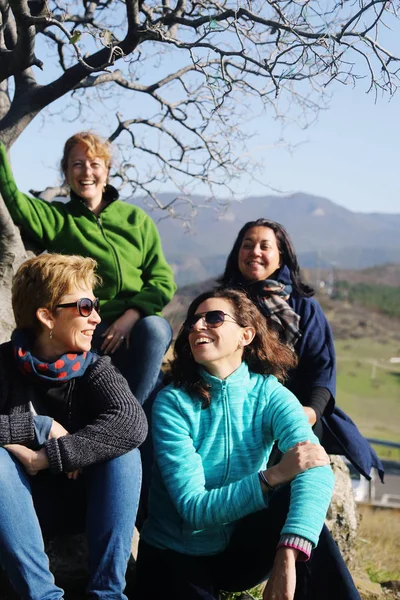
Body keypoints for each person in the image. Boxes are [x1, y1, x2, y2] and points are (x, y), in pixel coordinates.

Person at [136, 288, 361, 600]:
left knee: (305, 522)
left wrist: (288, 552)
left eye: (213, 318)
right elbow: (194, 509)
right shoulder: (173, 403)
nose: (198, 326)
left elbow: (316, 466)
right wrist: (273, 476)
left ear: (246, 334)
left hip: (240, 550)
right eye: (193, 321)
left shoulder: (269, 393)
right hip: (176, 556)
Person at [0, 253, 148, 600]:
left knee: (125, 454)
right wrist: (39, 427)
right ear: (47, 316)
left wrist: (51, 456)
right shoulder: (3, 365)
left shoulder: (95, 369)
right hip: (18, 508)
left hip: (84, 505)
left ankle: (108, 594)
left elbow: (131, 422)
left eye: (95, 305)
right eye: (84, 306)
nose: (96, 317)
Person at [0, 132, 176, 405]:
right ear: (67, 173)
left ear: (107, 171)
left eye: (94, 164)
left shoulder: (136, 219)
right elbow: (15, 200)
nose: (86, 172)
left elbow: (162, 280)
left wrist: (132, 314)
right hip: (87, 323)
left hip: (135, 327)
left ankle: (130, 418)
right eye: (77, 164)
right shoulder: (58, 218)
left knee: (157, 328)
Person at [218, 218, 384, 481]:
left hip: (293, 410)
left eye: (265, 246)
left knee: (297, 479)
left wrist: (310, 412)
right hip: (230, 408)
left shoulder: (303, 308)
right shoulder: (219, 305)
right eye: (247, 245)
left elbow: (322, 367)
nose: (255, 252)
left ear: (280, 257)